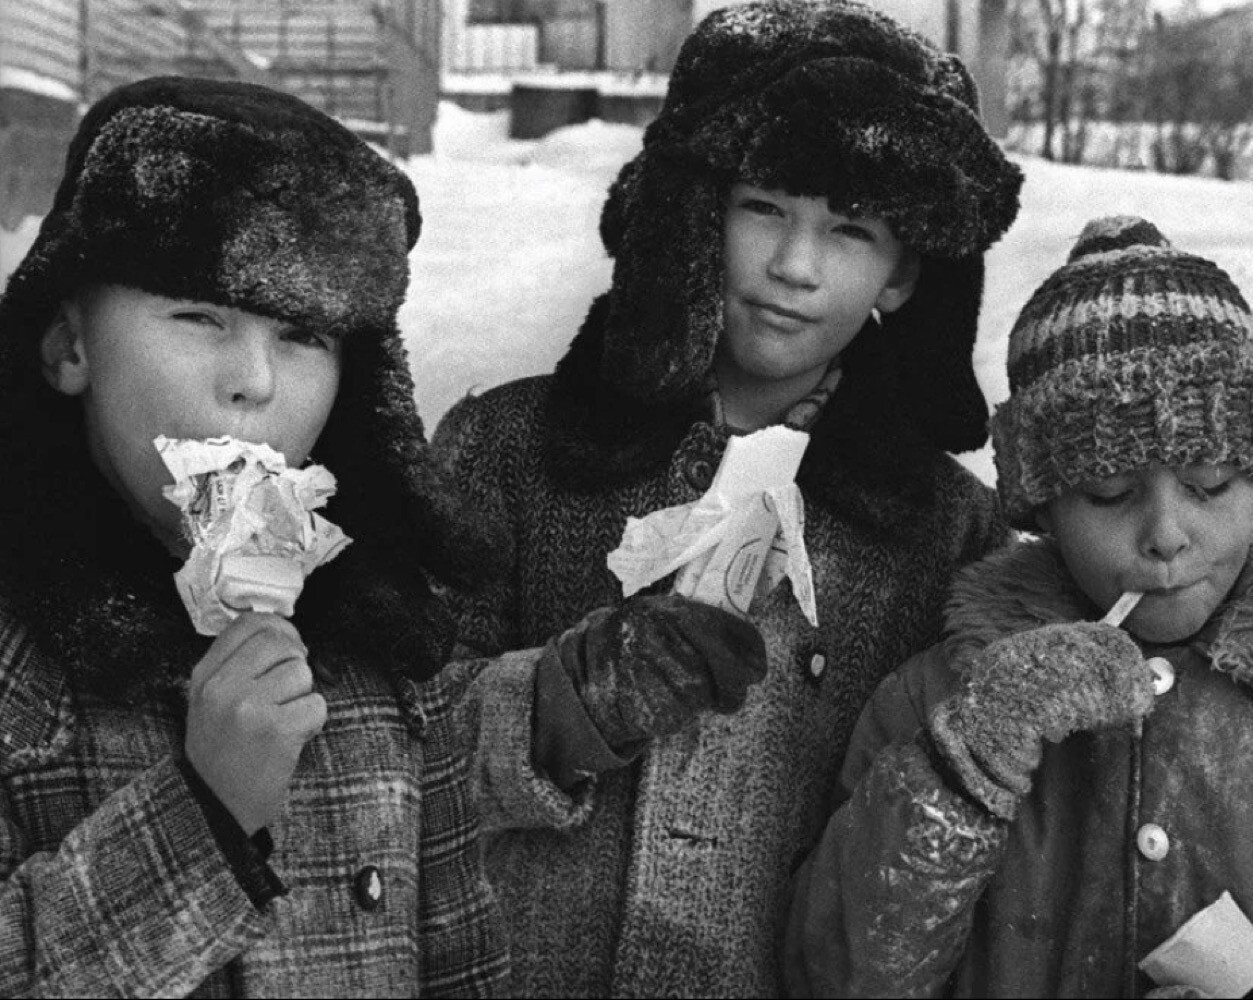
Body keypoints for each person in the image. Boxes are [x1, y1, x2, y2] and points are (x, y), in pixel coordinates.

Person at [430, 1, 1025, 994]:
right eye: (766, 208)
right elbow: (376, 748)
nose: (795, 266)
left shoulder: (949, 534)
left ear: (904, 270)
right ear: (694, 208)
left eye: (850, 229)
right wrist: (556, 707)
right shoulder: (510, 450)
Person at [784, 216, 1253, 998]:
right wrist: (959, 772)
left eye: (1206, 485)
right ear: (1043, 506)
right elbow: (836, 979)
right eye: (1107, 493)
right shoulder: (936, 706)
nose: (1165, 535)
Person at [0, 75, 518, 996]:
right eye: (200, 316)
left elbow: (464, 964)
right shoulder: (17, 666)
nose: (253, 382)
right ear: (69, 347)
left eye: (303, 335)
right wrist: (205, 820)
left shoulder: (385, 644)